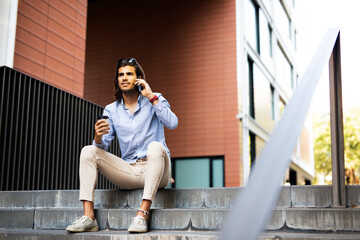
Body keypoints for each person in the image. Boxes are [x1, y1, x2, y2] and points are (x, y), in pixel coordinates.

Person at [66, 58, 178, 233]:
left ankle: (142, 214)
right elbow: (101, 148)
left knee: (155, 146)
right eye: (121, 75)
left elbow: (172, 123)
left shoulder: (155, 98)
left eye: (129, 74)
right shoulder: (111, 110)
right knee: (88, 150)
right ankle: (89, 217)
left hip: (158, 170)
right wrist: (97, 137)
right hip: (130, 171)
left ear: (138, 78)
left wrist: (151, 97)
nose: (124, 78)